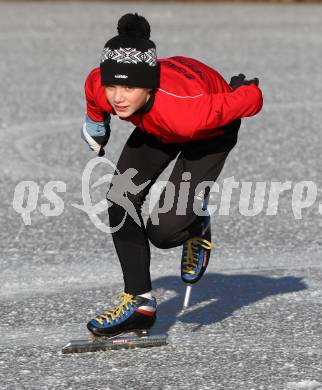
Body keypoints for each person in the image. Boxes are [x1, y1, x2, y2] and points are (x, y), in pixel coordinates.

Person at [81, 12, 263, 338]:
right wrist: (98, 125)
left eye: (129, 87)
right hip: (156, 128)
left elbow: (250, 100)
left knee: (164, 233)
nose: (117, 97)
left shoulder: (189, 112)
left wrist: (242, 89)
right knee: (118, 198)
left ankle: (197, 223)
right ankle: (139, 303)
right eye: (112, 86)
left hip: (208, 132)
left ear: (148, 86)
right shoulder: (101, 87)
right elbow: (94, 92)